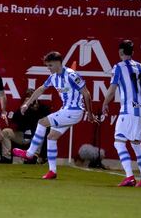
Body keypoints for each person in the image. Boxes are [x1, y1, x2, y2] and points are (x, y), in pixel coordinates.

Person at [12, 51, 96, 179]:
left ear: (58, 63)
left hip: (74, 110)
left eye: (50, 65)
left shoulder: (71, 75)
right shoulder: (53, 77)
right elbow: (41, 89)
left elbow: (86, 94)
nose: (48, 68)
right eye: (47, 66)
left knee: (42, 122)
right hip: (65, 110)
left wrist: (90, 114)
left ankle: (29, 153)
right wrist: (27, 104)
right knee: (51, 137)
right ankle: (52, 171)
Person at [102, 40, 141, 187]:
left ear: (121, 52)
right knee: (136, 143)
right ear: (133, 52)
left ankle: (129, 176)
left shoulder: (119, 67)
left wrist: (105, 103)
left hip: (128, 110)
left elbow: (112, 89)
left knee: (119, 142)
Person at [1, 88, 50, 163]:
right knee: (5, 132)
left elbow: (47, 122)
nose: (31, 102)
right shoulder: (23, 108)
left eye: (32, 98)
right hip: (22, 135)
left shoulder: (43, 108)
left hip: (35, 136)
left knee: (42, 130)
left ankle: (34, 156)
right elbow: (15, 121)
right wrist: (23, 108)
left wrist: (35, 109)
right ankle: (6, 157)